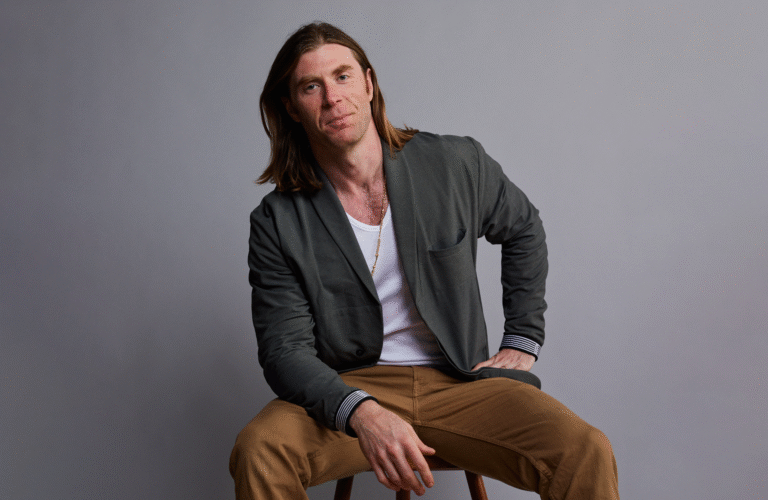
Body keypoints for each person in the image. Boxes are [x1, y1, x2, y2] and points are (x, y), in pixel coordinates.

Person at [230, 22, 619, 500]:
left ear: (368, 84)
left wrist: (524, 336)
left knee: (583, 449)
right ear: (292, 106)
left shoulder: (453, 163)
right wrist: (362, 411)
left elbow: (523, 227)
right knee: (260, 449)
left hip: (462, 384)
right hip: (351, 388)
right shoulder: (278, 220)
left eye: (343, 76)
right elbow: (284, 351)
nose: (332, 98)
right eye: (312, 86)